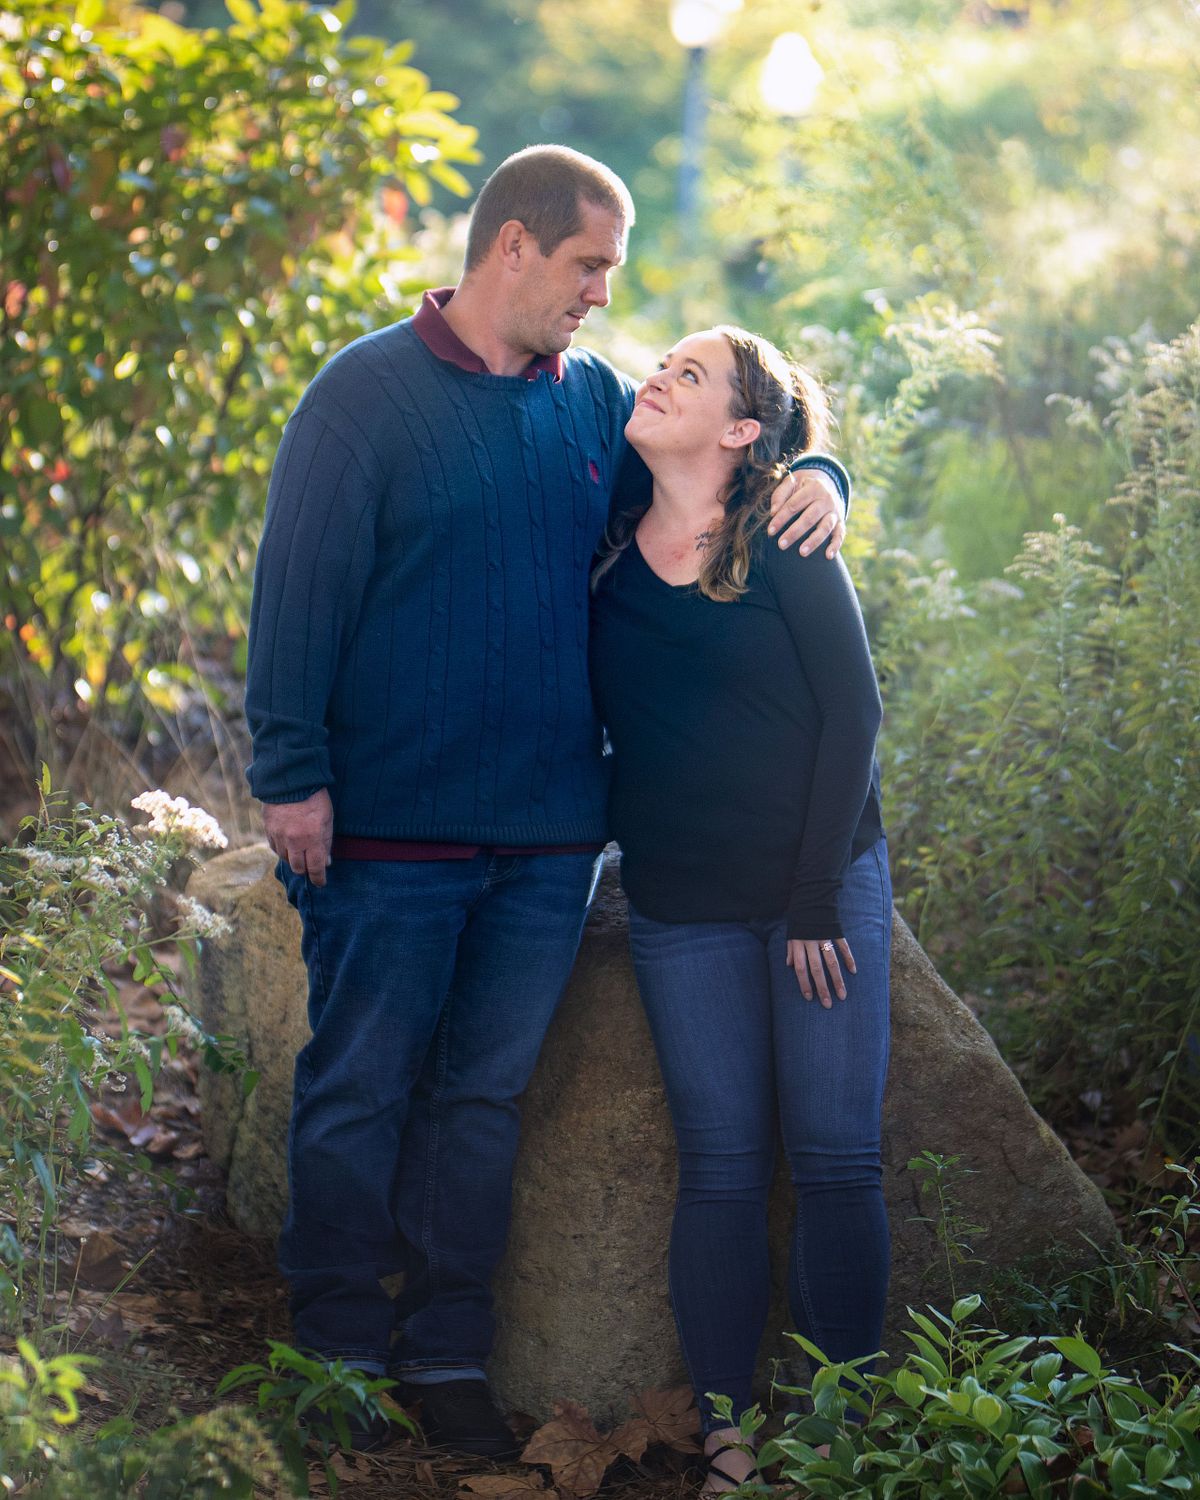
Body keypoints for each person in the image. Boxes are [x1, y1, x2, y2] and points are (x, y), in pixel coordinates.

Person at [244, 145, 851, 1459]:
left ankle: (446, 1352)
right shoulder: (364, 397)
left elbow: (720, 480)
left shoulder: (591, 410)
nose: (600, 298)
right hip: (392, 835)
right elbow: (293, 594)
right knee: (358, 1093)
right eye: (589, 268)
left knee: (478, 1107)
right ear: (511, 247)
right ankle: (340, 1352)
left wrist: (825, 477)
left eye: (611, 276)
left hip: (548, 846)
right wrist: (289, 775)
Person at [589, 326, 890, 1495]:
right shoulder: (611, 543)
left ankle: (847, 1433)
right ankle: (731, 1442)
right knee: (718, 1164)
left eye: (692, 374)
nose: (657, 376)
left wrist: (816, 897)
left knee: (833, 1157)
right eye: (663, 362)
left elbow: (854, 719)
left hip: (817, 890)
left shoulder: (786, 535)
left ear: (743, 431)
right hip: (680, 908)